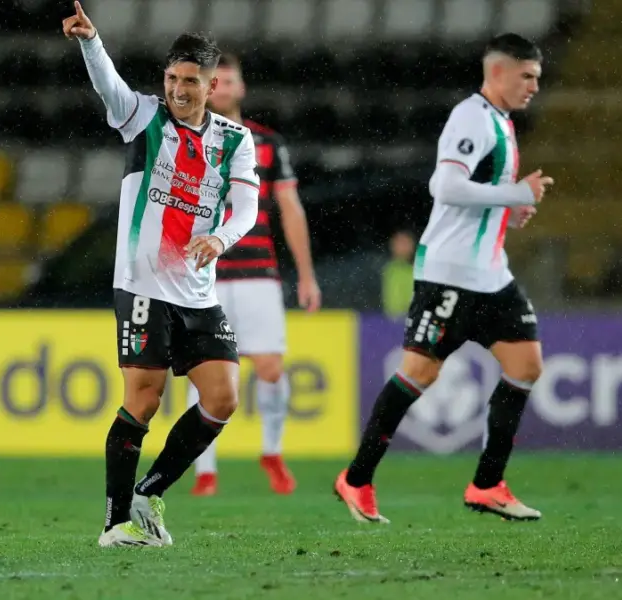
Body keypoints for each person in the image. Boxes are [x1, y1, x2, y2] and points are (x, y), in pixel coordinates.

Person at [63, 2, 261, 546]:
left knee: (222, 397)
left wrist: (219, 238)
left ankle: (149, 492)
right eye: (172, 78)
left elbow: (246, 208)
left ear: (212, 85)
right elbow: (109, 87)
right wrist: (91, 42)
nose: (178, 89)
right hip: (142, 285)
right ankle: (114, 524)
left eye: (190, 81)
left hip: (198, 292)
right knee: (144, 399)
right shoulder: (143, 118)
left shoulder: (234, 140)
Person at [333, 33, 551, 523]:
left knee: (525, 364)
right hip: (449, 274)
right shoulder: (471, 117)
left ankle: (487, 485)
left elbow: (479, 194)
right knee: (419, 373)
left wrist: (508, 210)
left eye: (537, 77)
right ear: (498, 72)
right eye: (527, 76)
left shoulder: (501, 121)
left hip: (490, 274)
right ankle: (357, 478)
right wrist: (516, 193)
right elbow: (446, 185)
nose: (534, 86)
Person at [186, 53, 321, 498]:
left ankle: (272, 452)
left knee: (270, 367)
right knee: (205, 371)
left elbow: (291, 209)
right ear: (207, 89)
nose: (224, 88)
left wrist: (306, 274)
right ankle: (204, 470)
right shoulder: (186, 140)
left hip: (259, 272)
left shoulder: (267, 143)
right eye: (217, 81)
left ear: (241, 88)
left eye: (231, 81)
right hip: (204, 274)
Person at [382, 230, 415, 319]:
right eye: (400, 243)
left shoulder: (416, 269)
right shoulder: (388, 268)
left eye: (406, 243)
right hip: (391, 319)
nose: (403, 247)